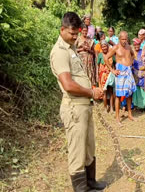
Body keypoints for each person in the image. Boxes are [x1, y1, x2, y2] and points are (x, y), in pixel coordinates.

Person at [50, 12, 106, 191]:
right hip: (74, 108)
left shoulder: (71, 47)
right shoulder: (59, 52)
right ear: (62, 29)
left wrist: (93, 91)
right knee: (77, 151)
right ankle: (81, 188)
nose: (75, 37)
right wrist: (91, 91)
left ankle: (90, 182)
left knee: (89, 146)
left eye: (77, 33)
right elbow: (68, 84)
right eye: (72, 33)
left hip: (85, 106)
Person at [105, 31, 137, 126]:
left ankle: (130, 114)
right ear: (119, 39)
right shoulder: (116, 47)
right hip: (120, 72)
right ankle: (117, 117)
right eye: (122, 39)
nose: (124, 41)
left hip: (128, 71)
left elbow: (133, 55)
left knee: (129, 93)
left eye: (125, 39)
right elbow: (106, 58)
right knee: (118, 95)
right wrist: (112, 70)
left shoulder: (128, 47)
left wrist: (131, 62)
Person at [97, 40, 114, 112]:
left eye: (105, 46)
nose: (104, 48)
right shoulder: (100, 55)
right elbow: (98, 65)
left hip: (110, 74)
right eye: (102, 47)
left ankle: (112, 108)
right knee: (104, 91)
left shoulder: (111, 54)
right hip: (102, 75)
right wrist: (98, 74)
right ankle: (105, 107)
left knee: (110, 91)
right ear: (101, 47)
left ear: (107, 47)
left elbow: (113, 64)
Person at [132, 38, 145, 110]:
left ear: (140, 44)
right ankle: (136, 104)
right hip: (134, 74)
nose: (136, 46)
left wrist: (143, 68)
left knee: (142, 89)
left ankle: (143, 106)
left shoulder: (142, 52)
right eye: (135, 45)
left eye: (137, 44)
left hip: (142, 73)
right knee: (136, 89)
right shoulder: (131, 52)